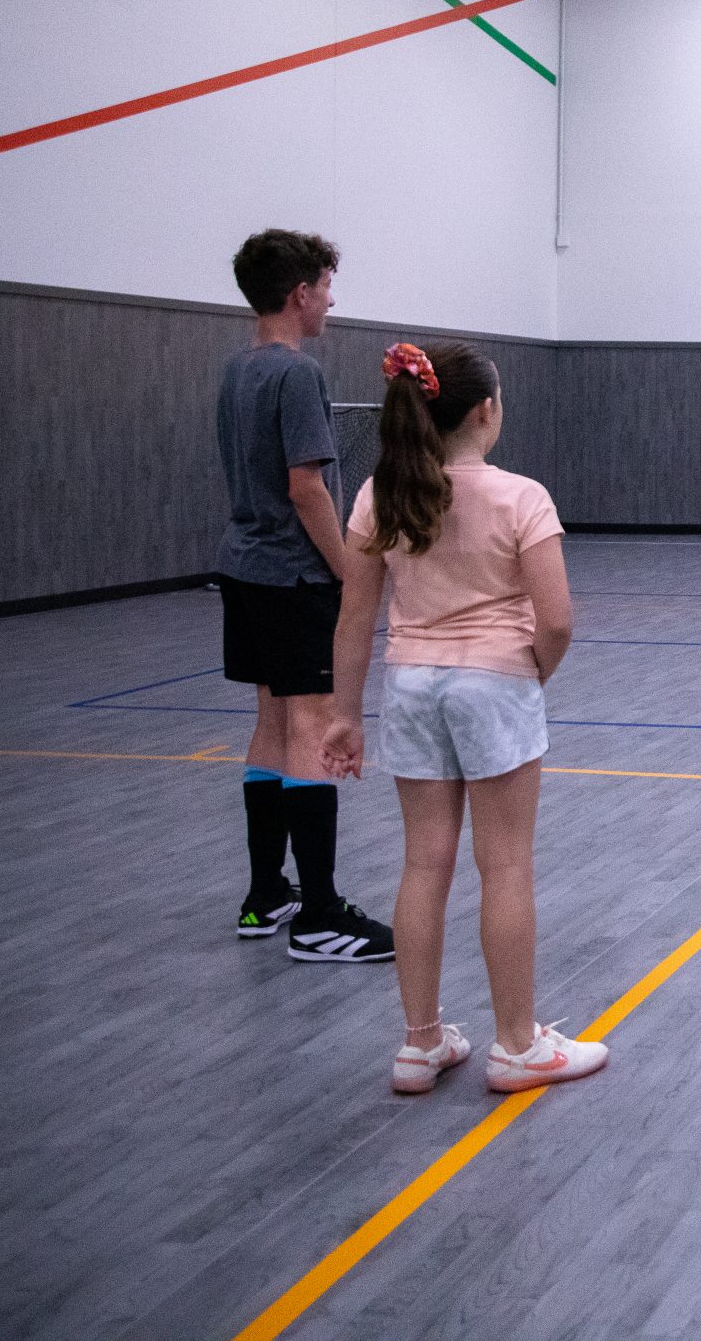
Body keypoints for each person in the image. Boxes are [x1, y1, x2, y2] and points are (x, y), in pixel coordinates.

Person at [324, 342, 607, 1095]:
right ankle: (516, 1045)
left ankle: (420, 1044)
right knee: (504, 864)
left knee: (424, 863)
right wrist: (530, 670)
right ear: (485, 410)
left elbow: (353, 617)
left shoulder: (379, 495)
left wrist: (344, 714)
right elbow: (557, 620)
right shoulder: (522, 498)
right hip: (494, 685)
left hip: (410, 686)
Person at [216, 229, 394, 963]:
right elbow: (306, 487)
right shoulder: (297, 375)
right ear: (300, 293)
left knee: (272, 724)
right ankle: (319, 915)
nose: (331, 301)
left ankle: (266, 893)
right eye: (325, 288)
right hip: (294, 576)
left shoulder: (236, 370)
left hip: (244, 571)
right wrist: (351, 571)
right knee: (315, 727)